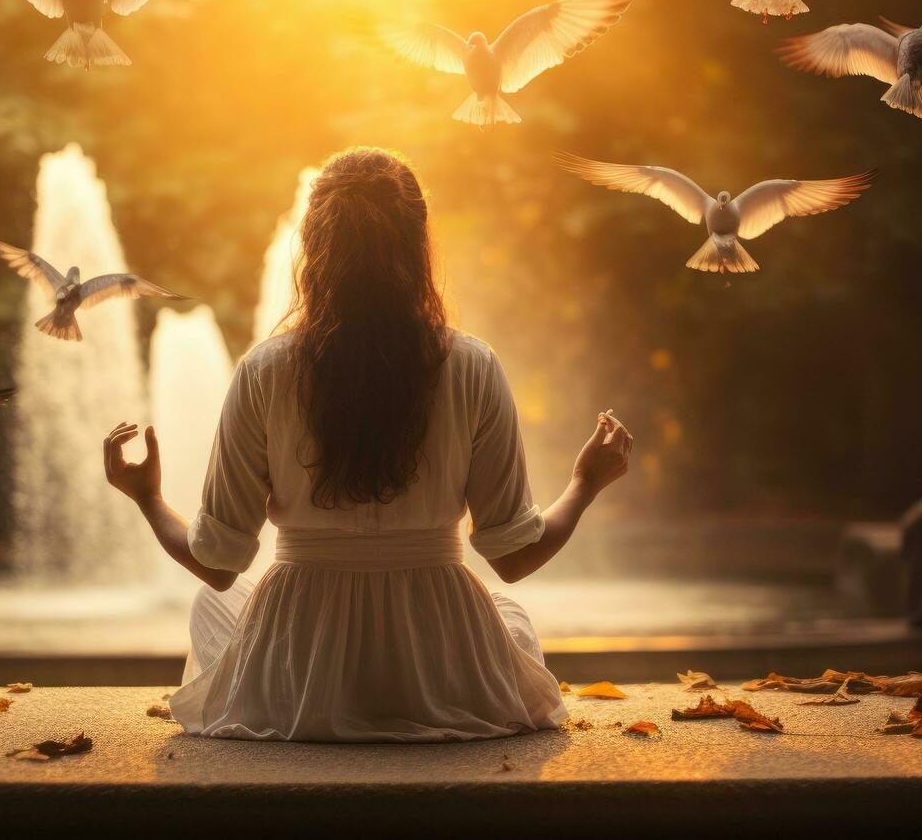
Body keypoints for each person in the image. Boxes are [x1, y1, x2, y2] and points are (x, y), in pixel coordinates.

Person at [104, 146, 633, 742]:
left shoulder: (264, 368)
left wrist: (148, 498)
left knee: (211, 608)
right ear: (417, 245)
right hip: (442, 655)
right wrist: (585, 485)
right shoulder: (473, 366)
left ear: (313, 248)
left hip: (302, 662)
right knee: (507, 617)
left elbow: (219, 566)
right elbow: (513, 559)